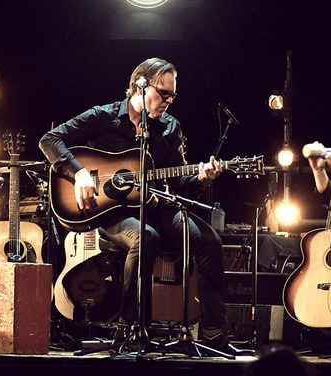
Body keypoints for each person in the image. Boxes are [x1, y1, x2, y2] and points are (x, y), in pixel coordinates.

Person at [39, 57, 251, 355]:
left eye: (172, 95)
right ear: (138, 84)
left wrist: (201, 178)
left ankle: (215, 331)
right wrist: (79, 173)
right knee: (145, 238)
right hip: (112, 213)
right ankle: (131, 329)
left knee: (207, 240)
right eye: (163, 93)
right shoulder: (104, 116)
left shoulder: (169, 127)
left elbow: (178, 184)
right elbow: (50, 139)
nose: (169, 101)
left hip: (158, 206)